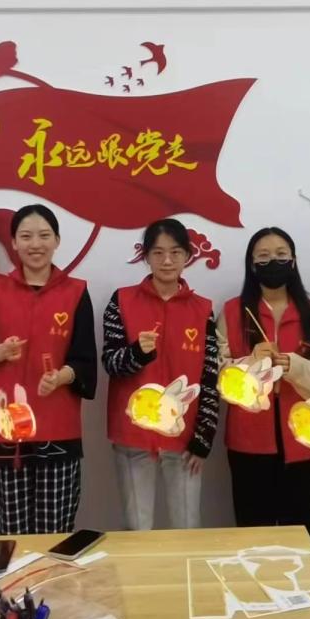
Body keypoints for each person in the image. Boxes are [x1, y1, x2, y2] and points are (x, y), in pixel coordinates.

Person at [0, 204, 96, 535]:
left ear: (57, 241)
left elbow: (84, 360)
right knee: (10, 534)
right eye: (26, 236)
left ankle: (52, 574)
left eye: (44, 235)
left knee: (56, 531)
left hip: (58, 428)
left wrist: (62, 376)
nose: (35, 244)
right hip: (3, 428)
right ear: (14, 243)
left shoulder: (76, 291)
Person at [102, 218, 220, 530]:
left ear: (187, 256)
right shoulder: (121, 301)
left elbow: (210, 376)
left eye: (175, 252)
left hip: (185, 437)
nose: (167, 261)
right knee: (137, 530)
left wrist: (203, 437)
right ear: (146, 256)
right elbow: (111, 363)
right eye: (158, 253)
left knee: (187, 529)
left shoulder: (203, 309)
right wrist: (137, 354)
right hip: (133, 435)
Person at [217, 226, 310, 538]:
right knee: (253, 528)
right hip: (248, 437)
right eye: (263, 257)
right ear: (252, 264)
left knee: (299, 528)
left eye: (281, 255)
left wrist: (296, 366)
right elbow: (217, 374)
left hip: (304, 434)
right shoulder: (232, 311)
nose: (273, 262)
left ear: (293, 261)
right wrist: (250, 363)